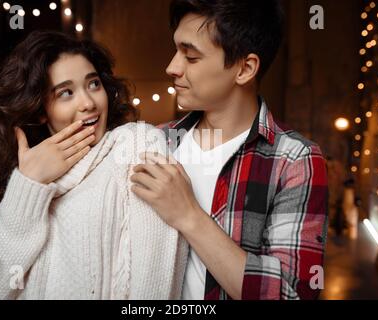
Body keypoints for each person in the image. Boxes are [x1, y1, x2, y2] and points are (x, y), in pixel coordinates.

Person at [130, 0, 328, 300]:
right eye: (176, 51)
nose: (172, 67)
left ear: (245, 68)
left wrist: (189, 215)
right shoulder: (154, 142)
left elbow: (292, 294)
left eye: (191, 57)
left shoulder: (296, 160)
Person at [0, 30, 187, 299]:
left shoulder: (134, 144)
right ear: (40, 111)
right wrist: (29, 183)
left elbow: (155, 279)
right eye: (66, 92)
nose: (88, 103)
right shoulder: (28, 174)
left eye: (93, 84)